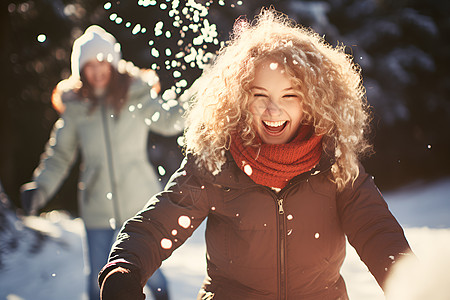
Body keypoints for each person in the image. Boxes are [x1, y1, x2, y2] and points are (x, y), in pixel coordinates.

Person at [98, 9, 414, 300]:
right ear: (239, 98)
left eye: (289, 96)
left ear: (313, 101)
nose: (272, 109)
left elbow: (376, 231)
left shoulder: (334, 163)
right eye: (259, 95)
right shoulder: (216, 162)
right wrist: (125, 270)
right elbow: (158, 226)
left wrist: (412, 285)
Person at [20, 25, 184, 300]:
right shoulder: (76, 109)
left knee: (150, 271)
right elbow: (60, 155)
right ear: (80, 71)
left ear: (114, 63)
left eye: (102, 62)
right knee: (99, 277)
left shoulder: (136, 96)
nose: (97, 71)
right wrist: (41, 188)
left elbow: (169, 120)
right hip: (97, 209)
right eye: (89, 65)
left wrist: (205, 94)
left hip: (138, 205)